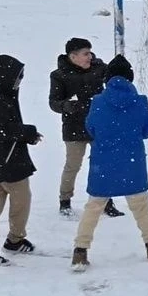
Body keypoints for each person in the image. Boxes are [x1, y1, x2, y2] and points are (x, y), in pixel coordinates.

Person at [70, 55, 148, 270]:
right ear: (130, 78)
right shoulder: (140, 102)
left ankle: (80, 250)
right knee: (141, 206)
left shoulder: (98, 102)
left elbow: (91, 128)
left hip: (103, 163)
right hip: (132, 163)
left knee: (93, 207)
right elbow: (147, 131)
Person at [0, 54, 42, 264]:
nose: (19, 81)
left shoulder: (1, 94)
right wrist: (27, 132)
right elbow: (1, 130)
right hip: (7, 163)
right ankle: (12, 239)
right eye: (17, 77)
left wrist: (25, 135)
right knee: (20, 200)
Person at [49, 37, 122, 219]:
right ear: (73, 57)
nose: (90, 56)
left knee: (102, 164)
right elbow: (53, 102)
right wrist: (67, 106)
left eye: (90, 52)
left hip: (98, 126)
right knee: (73, 165)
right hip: (74, 128)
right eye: (85, 54)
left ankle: (107, 201)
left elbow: (116, 79)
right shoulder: (59, 75)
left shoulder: (99, 68)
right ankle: (65, 201)